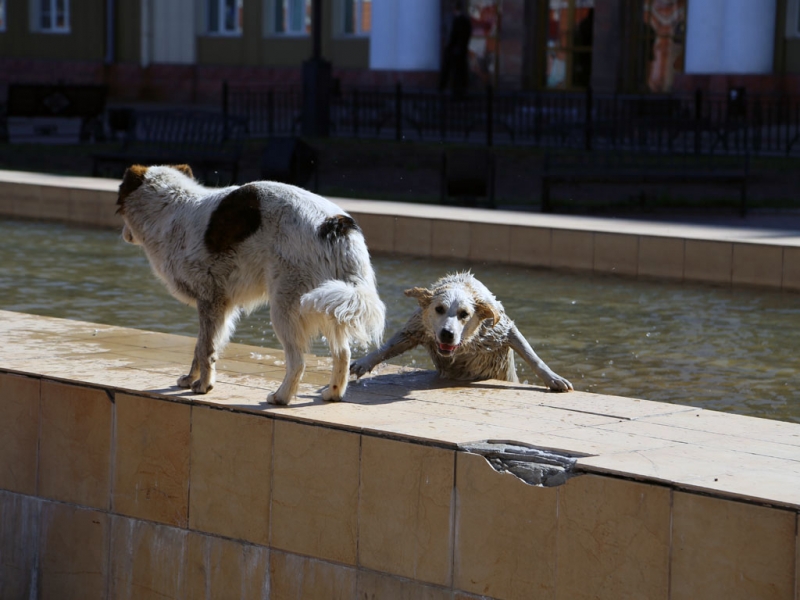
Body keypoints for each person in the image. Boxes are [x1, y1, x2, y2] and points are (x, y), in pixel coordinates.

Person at [439, 1, 472, 99]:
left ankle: (448, 89)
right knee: (459, 73)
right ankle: (459, 90)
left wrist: (450, 46)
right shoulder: (465, 21)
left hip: (455, 51)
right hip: (460, 51)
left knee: (452, 71)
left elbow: (453, 36)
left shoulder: (457, 21)